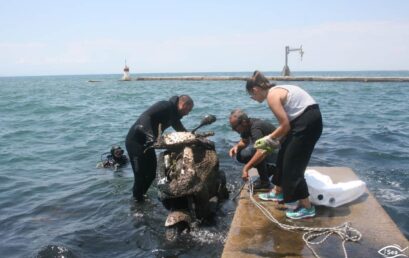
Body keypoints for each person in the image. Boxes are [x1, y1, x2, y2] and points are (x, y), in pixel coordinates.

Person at [245, 70, 323, 219]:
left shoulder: (272, 96)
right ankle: (278, 192)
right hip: (305, 121)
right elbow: (289, 124)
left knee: (292, 166)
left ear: (255, 90)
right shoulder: (276, 91)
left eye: (252, 96)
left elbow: (285, 125)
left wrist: (269, 138)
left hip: (307, 123)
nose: (253, 99)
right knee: (283, 154)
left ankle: (307, 208)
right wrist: (278, 140)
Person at [125, 95, 194, 202]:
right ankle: (136, 202)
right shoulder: (165, 105)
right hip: (135, 141)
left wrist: (192, 137)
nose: (188, 113)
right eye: (188, 110)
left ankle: (141, 195)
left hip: (149, 144)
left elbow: (181, 130)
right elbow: (145, 116)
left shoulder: (174, 116)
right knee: (140, 175)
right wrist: (150, 136)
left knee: (152, 173)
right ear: (183, 105)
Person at [228, 109, 277, 191]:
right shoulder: (245, 127)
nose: (234, 130)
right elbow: (244, 141)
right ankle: (270, 169)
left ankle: (265, 182)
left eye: (235, 127)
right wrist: (237, 147)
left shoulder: (255, 128)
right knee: (241, 155)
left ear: (243, 122)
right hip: (269, 150)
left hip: (279, 152)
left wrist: (246, 168)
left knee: (254, 152)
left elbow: (261, 151)